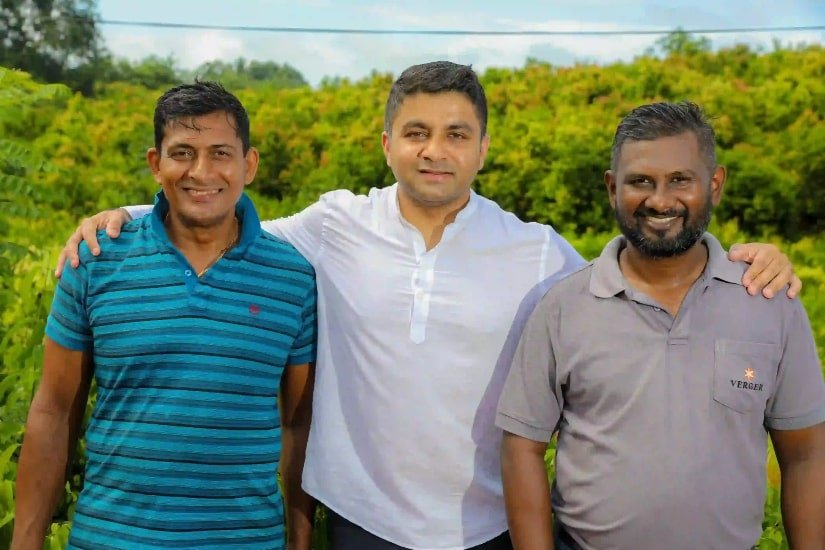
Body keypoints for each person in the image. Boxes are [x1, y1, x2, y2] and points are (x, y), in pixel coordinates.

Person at [55, 63, 801, 550]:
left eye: (455, 134)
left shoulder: (535, 250)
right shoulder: (332, 224)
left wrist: (745, 257)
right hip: (357, 519)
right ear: (387, 143)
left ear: (482, 150)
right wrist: (117, 214)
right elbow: (210, 215)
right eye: (415, 133)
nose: (433, 151)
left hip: (489, 526)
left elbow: (643, 267)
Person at [496, 101, 825, 550]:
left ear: (715, 185)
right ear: (613, 188)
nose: (661, 200)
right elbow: (522, 448)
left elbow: (806, 454)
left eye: (680, 181)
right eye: (641, 182)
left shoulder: (769, 302)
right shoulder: (562, 308)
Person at [12, 81, 318, 550]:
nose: (201, 171)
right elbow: (53, 413)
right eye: (182, 153)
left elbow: (298, 426)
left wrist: (300, 543)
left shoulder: (292, 279)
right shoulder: (96, 261)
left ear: (248, 165)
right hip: (110, 539)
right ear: (157, 164)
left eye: (220, 153)